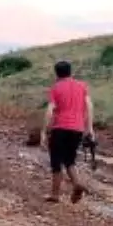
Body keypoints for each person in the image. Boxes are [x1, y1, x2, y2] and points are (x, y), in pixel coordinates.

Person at [41, 60, 94, 203]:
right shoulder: (82, 86)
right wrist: (90, 129)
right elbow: (89, 107)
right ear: (70, 71)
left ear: (56, 73)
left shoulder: (55, 88)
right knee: (69, 159)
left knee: (56, 162)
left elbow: (50, 110)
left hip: (60, 128)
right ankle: (77, 183)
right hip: (77, 128)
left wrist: (44, 131)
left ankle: (55, 195)